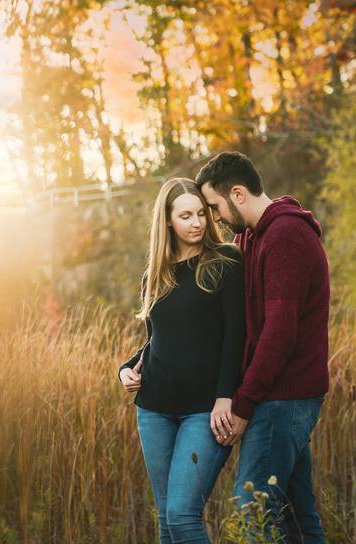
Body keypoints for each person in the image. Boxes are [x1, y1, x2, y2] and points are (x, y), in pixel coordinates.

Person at [196, 152, 329, 544]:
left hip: (283, 397)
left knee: (253, 509)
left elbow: (279, 332)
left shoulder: (286, 236)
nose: (214, 218)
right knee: (297, 516)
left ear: (237, 194)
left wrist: (243, 404)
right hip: (279, 396)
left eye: (215, 206)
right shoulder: (251, 238)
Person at [118, 178, 245, 544]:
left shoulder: (225, 263)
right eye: (185, 215)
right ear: (168, 221)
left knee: (182, 516)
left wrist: (226, 397)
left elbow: (236, 335)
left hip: (203, 412)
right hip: (154, 409)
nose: (197, 223)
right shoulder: (154, 276)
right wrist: (126, 368)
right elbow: (158, 339)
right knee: (166, 519)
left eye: (201, 213)